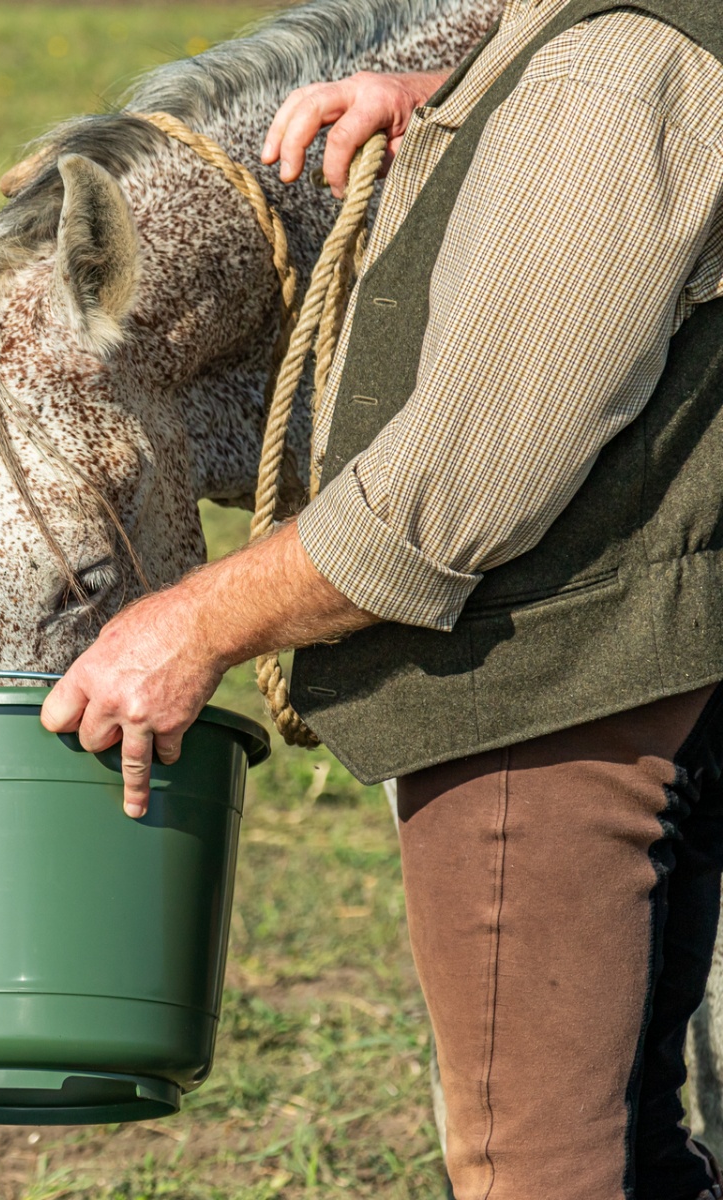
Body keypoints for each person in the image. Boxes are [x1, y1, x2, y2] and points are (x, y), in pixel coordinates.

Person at [42, 1, 723, 1196]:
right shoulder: (598, 57)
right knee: (638, 1137)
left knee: (539, 1164)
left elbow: (459, 484)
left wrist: (194, 621)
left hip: (545, 684)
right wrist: (477, 101)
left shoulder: (614, 77)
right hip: (644, 654)